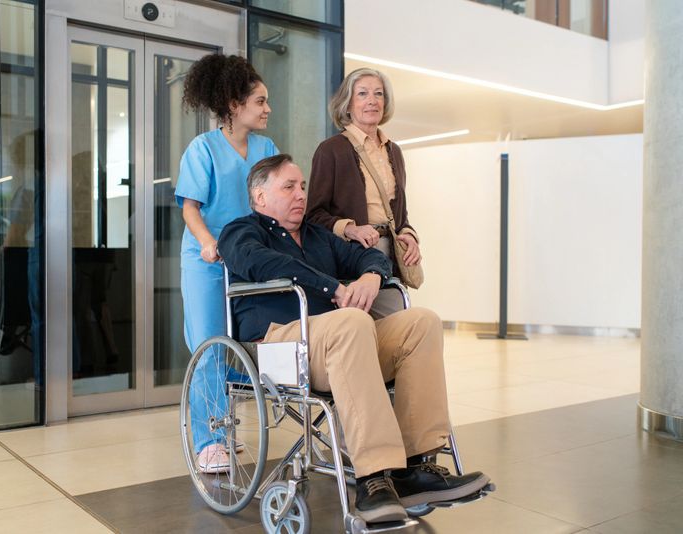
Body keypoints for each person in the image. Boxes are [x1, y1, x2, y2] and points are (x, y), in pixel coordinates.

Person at [219, 155, 490, 524]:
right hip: (279, 342)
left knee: (421, 322)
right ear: (260, 197)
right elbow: (263, 263)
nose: (301, 194)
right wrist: (331, 287)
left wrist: (371, 278)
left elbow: (369, 257)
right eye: (289, 187)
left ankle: (416, 468)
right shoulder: (241, 232)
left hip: (342, 340)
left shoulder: (318, 237)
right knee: (351, 320)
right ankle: (373, 476)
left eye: (302, 186)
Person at [174, 53, 278, 473]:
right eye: (260, 101)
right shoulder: (203, 148)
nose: (268, 109)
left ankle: (227, 422)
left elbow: (273, 202)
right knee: (210, 345)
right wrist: (207, 243)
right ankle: (210, 440)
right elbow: (190, 208)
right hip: (208, 260)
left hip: (247, 259)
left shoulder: (267, 149)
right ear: (235, 105)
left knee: (250, 344)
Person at [307, 67, 421, 317]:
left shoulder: (394, 151)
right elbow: (313, 215)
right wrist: (350, 228)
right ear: (347, 104)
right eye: (362, 94)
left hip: (390, 257)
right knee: (365, 327)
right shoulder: (331, 150)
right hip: (351, 257)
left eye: (378, 94)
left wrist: (409, 235)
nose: (372, 100)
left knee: (399, 325)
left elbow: (400, 215)